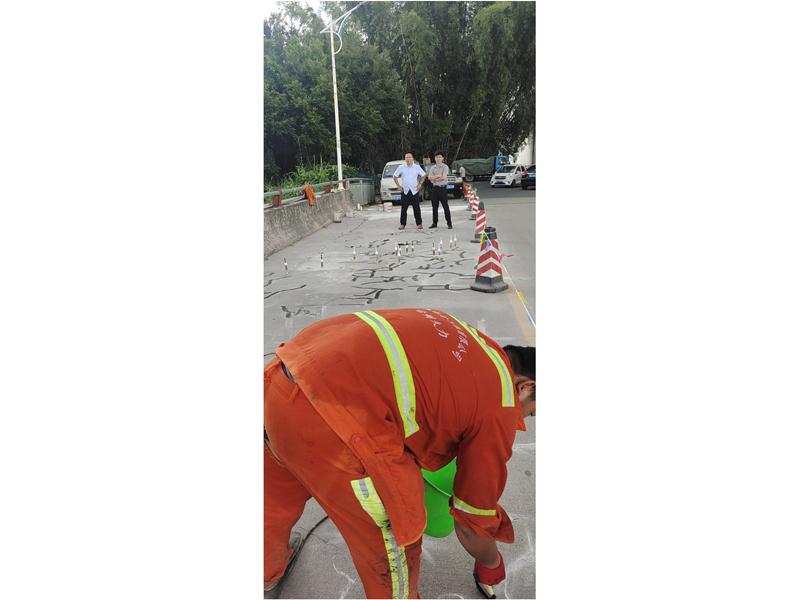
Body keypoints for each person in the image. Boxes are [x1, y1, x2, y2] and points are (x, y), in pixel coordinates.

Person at [264, 308, 536, 598]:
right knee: (393, 543)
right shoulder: (501, 404)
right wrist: (491, 563)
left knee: (272, 501)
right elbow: (472, 522)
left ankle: (265, 570)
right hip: (334, 426)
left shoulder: (472, 339)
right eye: (534, 410)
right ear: (525, 387)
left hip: (282, 381)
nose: (529, 417)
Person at [392, 153, 426, 230]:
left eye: (409, 157)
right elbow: (395, 176)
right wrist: (399, 186)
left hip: (414, 190)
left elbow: (424, 175)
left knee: (416, 208)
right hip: (405, 190)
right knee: (404, 209)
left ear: (412, 158)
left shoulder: (416, 167)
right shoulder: (401, 167)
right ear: (405, 159)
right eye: (406, 157)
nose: (408, 159)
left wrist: (420, 184)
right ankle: (402, 224)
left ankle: (419, 223)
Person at [427, 151, 452, 229]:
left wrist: (434, 177)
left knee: (445, 205)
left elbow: (444, 177)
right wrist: (438, 176)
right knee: (434, 206)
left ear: (442, 158)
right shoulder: (432, 168)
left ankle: (449, 223)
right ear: (435, 158)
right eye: (436, 157)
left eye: (439, 157)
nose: (438, 159)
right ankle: (434, 223)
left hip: (442, 188)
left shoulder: (445, 167)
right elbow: (429, 178)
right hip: (435, 188)